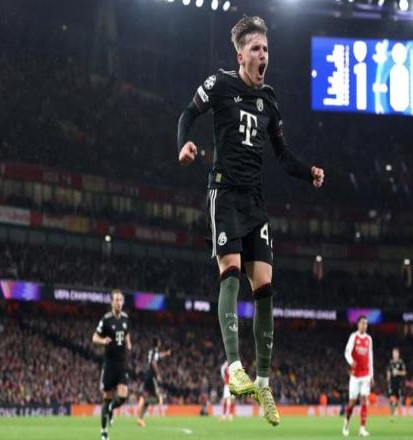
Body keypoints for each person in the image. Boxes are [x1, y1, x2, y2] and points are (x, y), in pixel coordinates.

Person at [177, 15, 324, 427]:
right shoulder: (220, 84)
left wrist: (308, 171)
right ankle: (234, 367)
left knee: (265, 286)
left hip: (255, 202)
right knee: (231, 272)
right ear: (241, 55)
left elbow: (283, 155)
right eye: (256, 49)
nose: (264, 55)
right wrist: (183, 144)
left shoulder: (270, 100)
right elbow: (187, 113)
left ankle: (262, 383)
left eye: (266, 49)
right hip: (224, 192)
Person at [92, 289, 132, 440]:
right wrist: (103, 341)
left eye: (120, 300)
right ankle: (104, 432)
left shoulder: (126, 318)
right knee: (107, 397)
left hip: (121, 364)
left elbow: (126, 333)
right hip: (109, 364)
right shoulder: (106, 319)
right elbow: (94, 337)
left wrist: (128, 343)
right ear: (111, 302)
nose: (118, 303)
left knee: (123, 396)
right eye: (116, 300)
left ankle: (110, 409)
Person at [343, 316, 373, 437]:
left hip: (365, 374)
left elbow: (370, 357)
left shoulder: (369, 339)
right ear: (358, 324)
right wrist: (351, 362)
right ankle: (346, 423)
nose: (364, 325)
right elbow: (347, 352)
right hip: (355, 375)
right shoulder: (353, 337)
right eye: (362, 323)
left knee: (364, 400)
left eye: (366, 323)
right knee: (352, 402)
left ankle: (362, 428)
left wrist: (371, 375)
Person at [136, 337, 171, 427]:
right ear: (158, 343)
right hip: (151, 377)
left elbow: (158, 356)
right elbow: (153, 362)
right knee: (158, 399)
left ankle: (140, 419)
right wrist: (157, 374)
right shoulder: (154, 351)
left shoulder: (151, 351)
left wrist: (166, 353)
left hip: (147, 376)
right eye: (159, 342)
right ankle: (144, 400)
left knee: (150, 397)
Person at [386, 348, 406, 418]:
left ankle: (397, 410)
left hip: (399, 383)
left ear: (398, 354)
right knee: (391, 397)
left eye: (395, 353)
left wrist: (398, 372)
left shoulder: (401, 363)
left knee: (398, 397)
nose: (394, 355)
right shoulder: (391, 362)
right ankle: (393, 411)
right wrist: (388, 377)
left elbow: (404, 372)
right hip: (392, 383)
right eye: (393, 353)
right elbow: (388, 370)